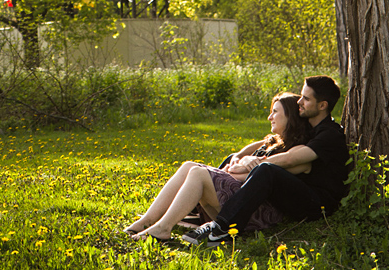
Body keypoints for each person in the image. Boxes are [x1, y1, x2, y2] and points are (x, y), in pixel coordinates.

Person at [183, 75, 349, 247]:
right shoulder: (311, 127)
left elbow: (290, 159)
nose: (299, 102)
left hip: (317, 204)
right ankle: (198, 211)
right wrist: (241, 156)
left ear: (322, 105)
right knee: (236, 160)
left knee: (267, 170)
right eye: (301, 96)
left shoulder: (329, 134)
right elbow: (269, 140)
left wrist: (255, 162)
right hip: (299, 191)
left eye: (306, 99)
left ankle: (222, 228)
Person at [125, 91, 312, 243]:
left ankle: (163, 229)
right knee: (188, 165)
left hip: (256, 210)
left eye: (276, 112)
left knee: (198, 173)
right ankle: (146, 221)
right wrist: (239, 159)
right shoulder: (272, 142)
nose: (270, 116)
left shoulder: (297, 152)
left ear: (291, 117)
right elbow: (243, 152)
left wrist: (239, 170)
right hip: (237, 194)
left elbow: (263, 180)